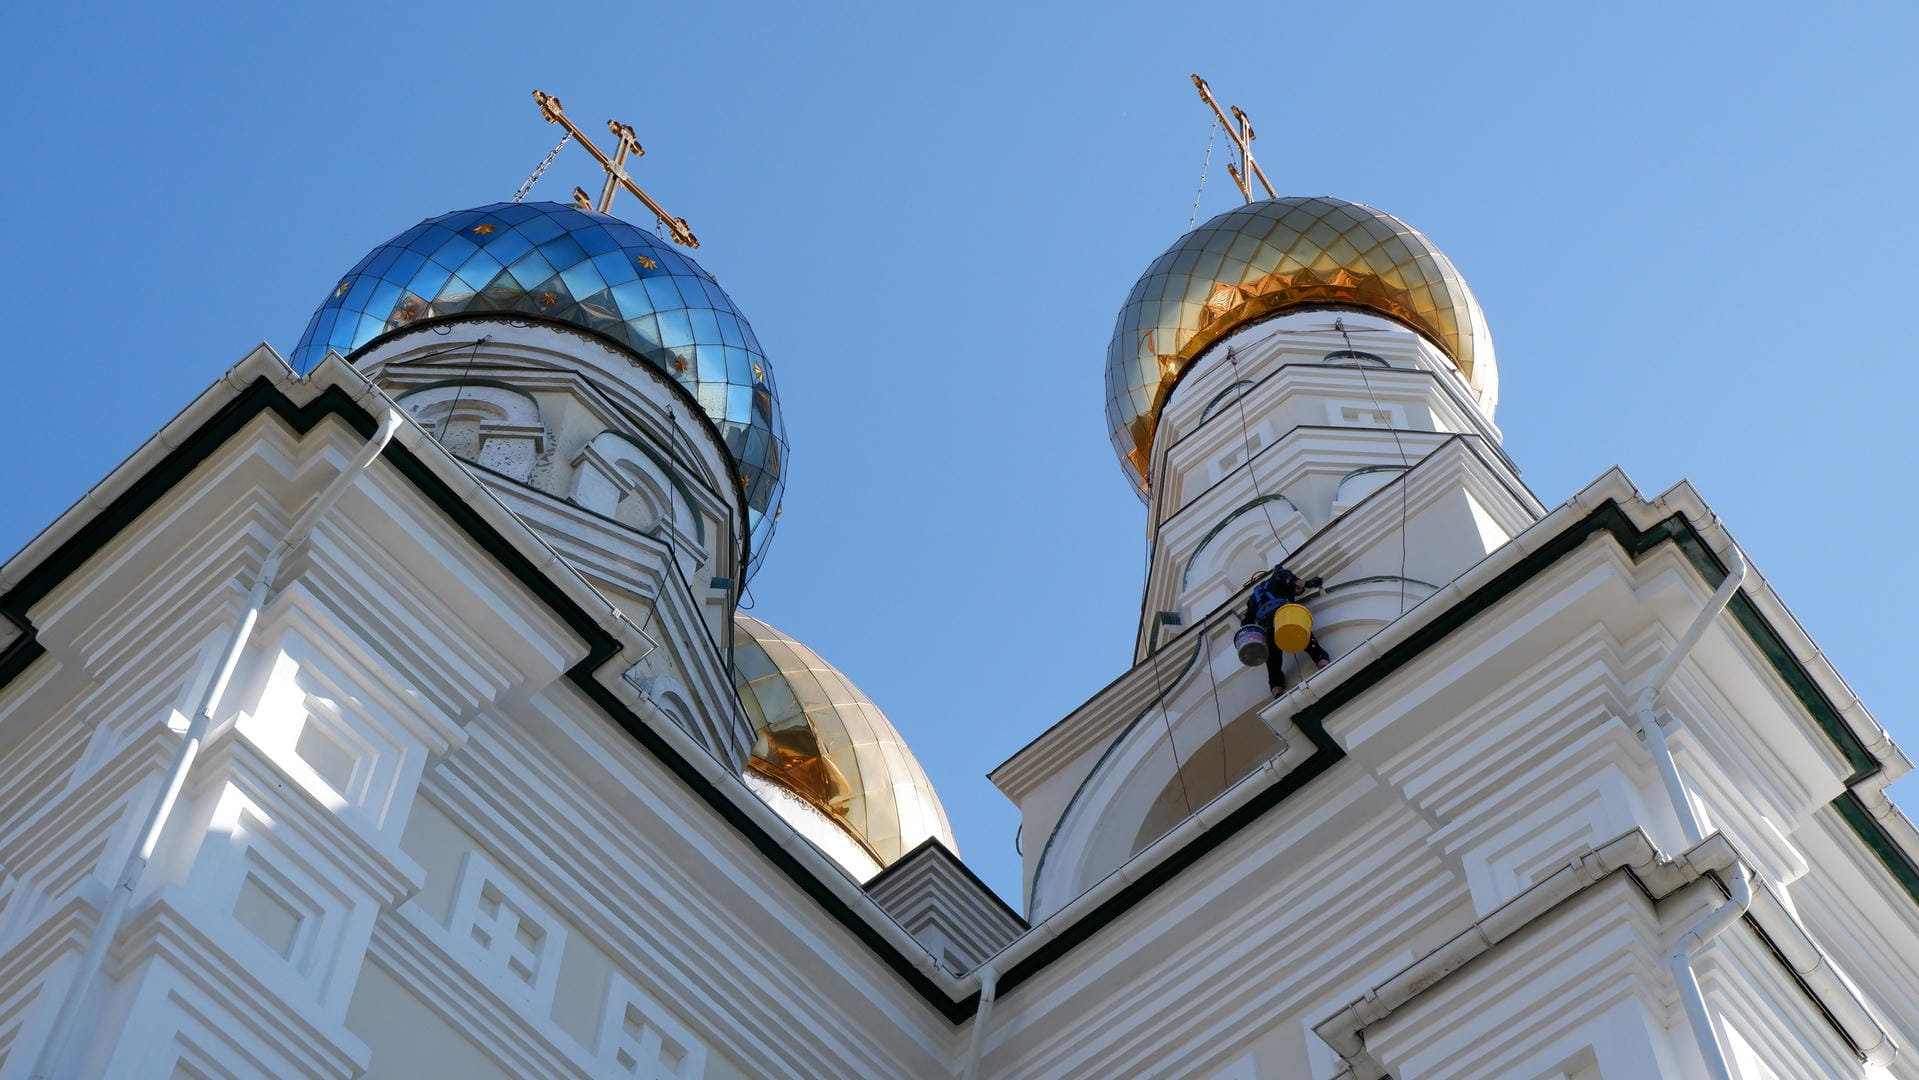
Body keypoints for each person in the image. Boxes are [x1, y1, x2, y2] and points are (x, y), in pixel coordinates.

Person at [1243, 565, 1330, 697]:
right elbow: (1288, 578)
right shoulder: (1279, 575)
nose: (1298, 592)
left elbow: (1246, 623)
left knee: (1272, 661)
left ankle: (1277, 690)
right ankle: (1322, 662)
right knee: (1304, 636)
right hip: (1283, 616)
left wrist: (1249, 643)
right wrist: (1307, 583)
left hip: (1267, 626)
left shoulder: (1253, 599)